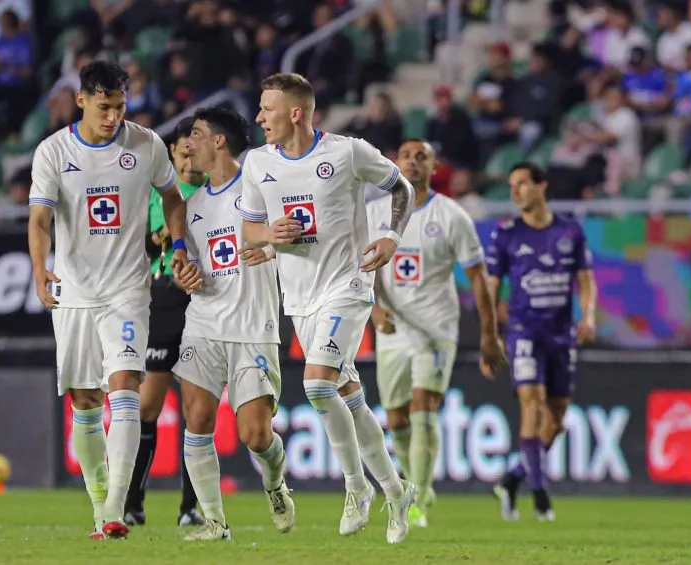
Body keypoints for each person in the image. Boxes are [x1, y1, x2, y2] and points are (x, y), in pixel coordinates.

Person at [238, 72, 417, 543]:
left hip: (349, 283)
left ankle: (356, 487)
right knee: (350, 397)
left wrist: (392, 236)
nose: (259, 117)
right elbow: (249, 229)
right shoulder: (257, 164)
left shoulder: (346, 151)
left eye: (267, 108)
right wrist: (268, 238)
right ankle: (397, 492)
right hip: (298, 296)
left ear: (295, 112)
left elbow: (403, 189)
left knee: (317, 386)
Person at [28, 60, 191, 540]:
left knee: (124, 388)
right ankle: (101, 502)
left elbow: (174, 197)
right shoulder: (54, 152)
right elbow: (39, 220)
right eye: (104, 107)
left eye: (120, 107)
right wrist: (40, 269)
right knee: (84, 399)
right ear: (81, 100)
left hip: (127, 288)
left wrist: (178, 245)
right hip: (76, 292)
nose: (113, 117)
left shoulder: (146, 144)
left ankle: (116, 510)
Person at [367, 139, 508, 529]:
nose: (412, 162)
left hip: (437, 327)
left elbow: (479, 279)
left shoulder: (452, 215)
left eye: (421, 157)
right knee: (396, 418)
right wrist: (375, 310)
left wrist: (489, 335)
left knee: (424, 407)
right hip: (393, 328)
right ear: (395, 163)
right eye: (406, 156)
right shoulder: (376, 212)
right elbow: (367, 269)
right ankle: (414, 484)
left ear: (434, 167)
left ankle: (418, 495)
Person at [171, 107, 293, 541]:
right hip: (204, 322)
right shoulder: (191, 207)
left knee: (255, 435)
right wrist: (185, 274)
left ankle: (275, 482)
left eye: (197, 134)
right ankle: (214, 522)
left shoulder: (260, 185)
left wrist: (280, 243)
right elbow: (190, 267)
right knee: (197, 416)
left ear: (220, 140)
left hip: (253, 327)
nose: (189, 144)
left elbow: (297, 230)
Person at [487, 162, 597, 522]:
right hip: (524, 334)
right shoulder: (506, 235)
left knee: (557, 418)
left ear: (541, 186)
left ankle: (512, 479)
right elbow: (490, 288)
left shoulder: (569, 231)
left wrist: (589, 315)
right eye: (511, 185)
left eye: (521, 184)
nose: (515, 191)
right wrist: (490, 336)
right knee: (531, 408)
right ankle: (541, 497)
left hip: (561, 337)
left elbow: (585, 279)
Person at [123, 117, 206, 528]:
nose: (189, 151)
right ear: (171, 153)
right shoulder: (156, 196)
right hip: (162, 302)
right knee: (147, 407)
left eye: (196, 143)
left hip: (203, 304)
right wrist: (152, 240)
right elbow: (129, 244)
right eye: (182, 146)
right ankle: (133, 503)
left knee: (196, 410)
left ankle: (191, 507)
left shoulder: (216, 193)